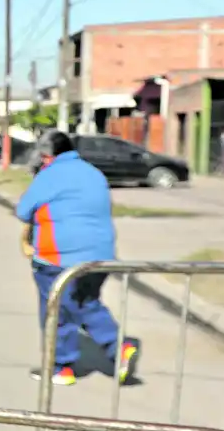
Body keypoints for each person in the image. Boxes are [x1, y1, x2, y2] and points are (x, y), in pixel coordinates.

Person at [16, 130, 139, 387]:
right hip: (101, 254)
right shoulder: (93, 172)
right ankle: (119, 347)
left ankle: (62, 367)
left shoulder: (50, 174)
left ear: (47, 155)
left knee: (56, 311)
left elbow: (23, 209)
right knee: (85, 303)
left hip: (59, 255)